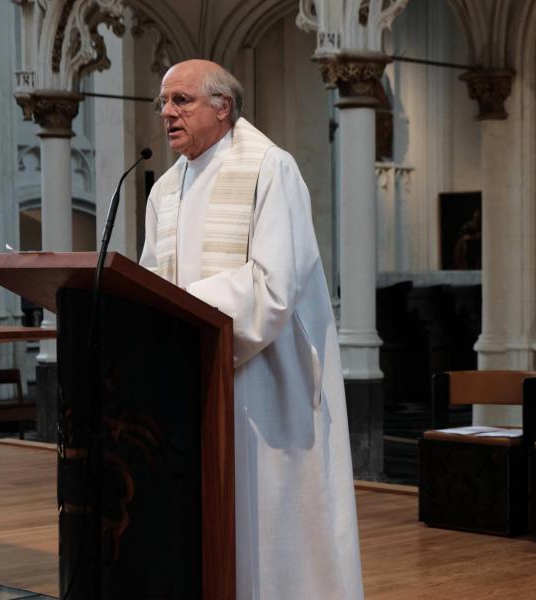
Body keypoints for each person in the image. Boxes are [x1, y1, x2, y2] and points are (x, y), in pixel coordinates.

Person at [139, 59, 363, 599]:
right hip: (191, 382)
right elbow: (146, 281)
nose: (167, 112)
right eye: (163, 102)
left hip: (263, 381)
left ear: (224, 107)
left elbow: (274, 286)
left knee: (270, 519)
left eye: (181, 100)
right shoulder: (164, 189)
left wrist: (177, 309)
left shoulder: (269, 168)